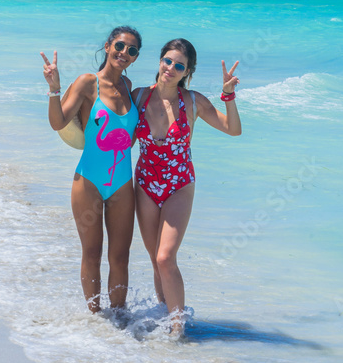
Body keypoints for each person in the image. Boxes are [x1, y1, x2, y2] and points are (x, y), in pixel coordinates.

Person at [131, 38, 241, 336]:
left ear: (187, 72)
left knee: (166, 257)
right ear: (159, 61)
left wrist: (228, 95)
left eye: (179, 65)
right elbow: (118, 135)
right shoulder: (139, 97)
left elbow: (233, 130)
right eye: (167, 60)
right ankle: (167, 319)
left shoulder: (193, 101)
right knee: (156, 262)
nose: (171, 68)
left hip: (179, 184)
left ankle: (176, 334)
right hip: (145, 185)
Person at [41, 27, 141, 313]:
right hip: (88, 181)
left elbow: (130, 134)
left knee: (121, 257)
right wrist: (53, 88)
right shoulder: (88, 83)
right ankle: (96, 321)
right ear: (108, 46)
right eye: (120, 46)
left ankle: (120, 319)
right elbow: (58, 122)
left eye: (132, 50)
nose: (125, 53)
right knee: (92, 253)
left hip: (122, 183)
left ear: (135, 58)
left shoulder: (128, 86)